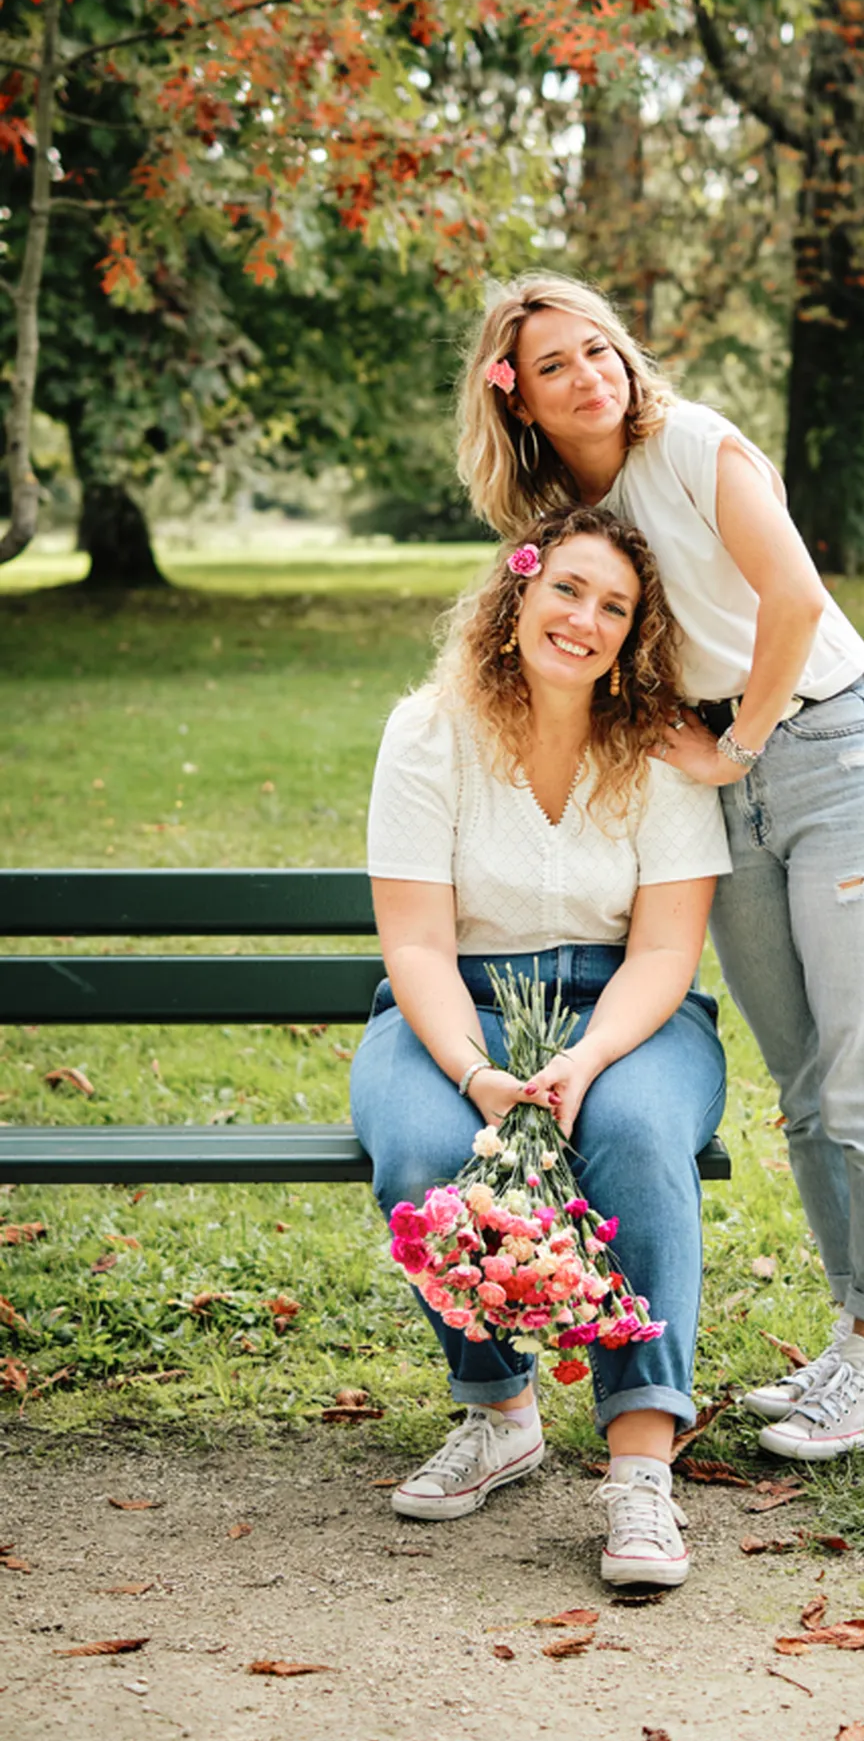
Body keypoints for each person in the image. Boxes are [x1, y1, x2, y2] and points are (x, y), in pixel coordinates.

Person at [455, 273, 864, 1463]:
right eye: (556, 363)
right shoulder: (563, 513)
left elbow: (796, 595)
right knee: (807, 1075)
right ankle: (851, 1341)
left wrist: (742, 746)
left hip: (824, 751)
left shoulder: (696, 446)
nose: (591, 373)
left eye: (599, 347)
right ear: (516, 399)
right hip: (722, 776)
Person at [350, 503, 730, 1588]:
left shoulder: (655, 749)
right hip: (452, 1010)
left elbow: (665, 952)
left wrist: (588, 1057)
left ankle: (640, 1469)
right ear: (518, 593)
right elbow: (417, 939)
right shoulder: (429, 731)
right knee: (428, 1156)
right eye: (568, 588)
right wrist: (475, 1071)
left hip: (627, 1015)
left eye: (615, 606)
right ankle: (500, 1410)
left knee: (642, 1138)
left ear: (633, 633)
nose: (586, 619)